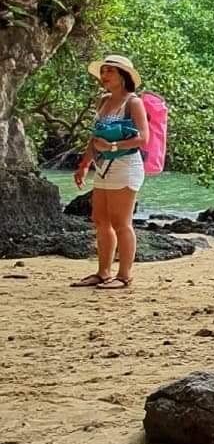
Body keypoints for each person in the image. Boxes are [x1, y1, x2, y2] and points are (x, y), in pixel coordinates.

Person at [72, 55, 150, 290]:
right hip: (102, 166)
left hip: (126, 165)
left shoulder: (133, 102)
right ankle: (103, 272)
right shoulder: (103, 101)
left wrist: (113, 147)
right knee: (100, 220)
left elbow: (143, 138)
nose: (104, 76)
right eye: (103, 71)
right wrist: (84, 164)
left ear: (123, 76)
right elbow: (95, 138)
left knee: (121, 222)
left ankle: (124, 275)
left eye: (110, 72)